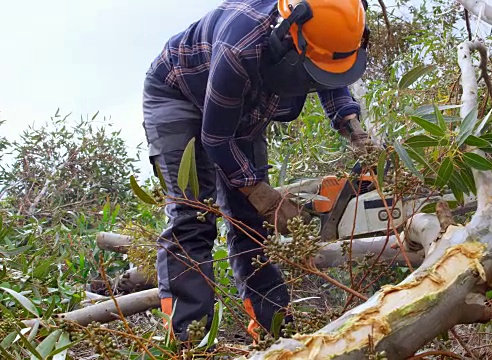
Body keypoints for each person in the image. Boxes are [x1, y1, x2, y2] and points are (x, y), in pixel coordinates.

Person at [141, 0, 372, 343]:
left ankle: (274, 333)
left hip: (243, 103)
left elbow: (330, 68)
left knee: (249, 222)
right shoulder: (241, 47)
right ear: (287, 37)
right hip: (179, 93)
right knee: (193, 217)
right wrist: (266, 197)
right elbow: (217, 138)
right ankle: (189, 342)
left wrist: (353, 129)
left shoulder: (322, 29)